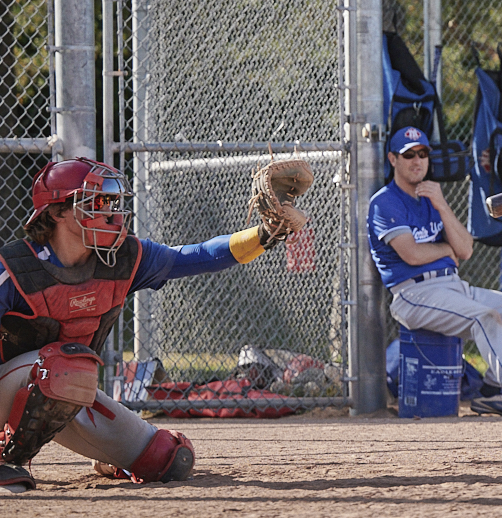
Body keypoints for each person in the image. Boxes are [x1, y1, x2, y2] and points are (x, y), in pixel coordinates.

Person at [0, 157, 298, 493]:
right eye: (97, 201)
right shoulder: (15, 269)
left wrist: (265, 234)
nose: (111, 211)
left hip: (63, 389)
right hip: (10, 387)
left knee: (168, 459)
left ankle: (105, 456)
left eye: (112, 201)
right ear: (57, 213)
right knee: (58, 367)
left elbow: (196, 255)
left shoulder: (122, 258)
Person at [368, 126, 502, 417]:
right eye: (408, 155)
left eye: (422, 154)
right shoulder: (384, 201)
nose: (417, 160)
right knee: (484, 317)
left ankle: (492, 392)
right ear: (393, 159)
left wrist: (442, 205)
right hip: (413, 293)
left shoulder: (431, 198)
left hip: (453, 286)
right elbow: (412, 254)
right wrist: (445, 250)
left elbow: (465, 249)